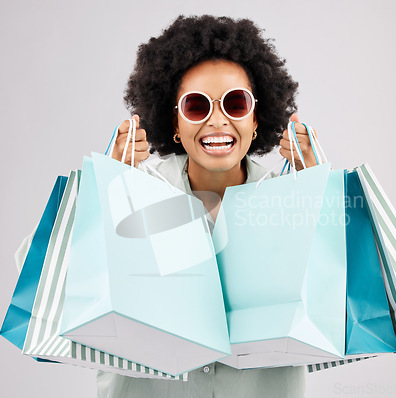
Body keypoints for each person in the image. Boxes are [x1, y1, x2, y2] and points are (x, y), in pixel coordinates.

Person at [97, 15, 319, 398]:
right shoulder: (134, 191)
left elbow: (333, 297)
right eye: (197, 107)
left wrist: (318, 192)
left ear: (255, 119)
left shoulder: (291, 200)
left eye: (235, 103)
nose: (217, 121)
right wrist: (105, 186)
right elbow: (61, 275)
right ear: (174, 122)